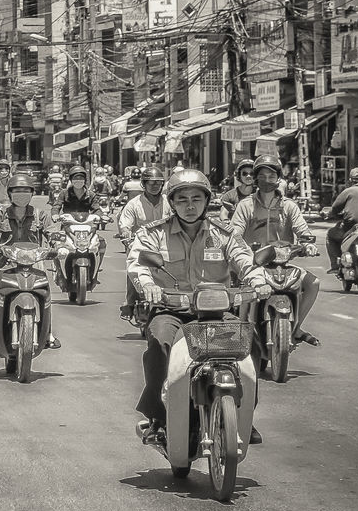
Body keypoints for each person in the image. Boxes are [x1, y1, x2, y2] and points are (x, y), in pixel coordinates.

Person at [127, 170, 270, 445]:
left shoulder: (223, 234)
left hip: (217, 311)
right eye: (182, 200)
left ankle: (244, 417)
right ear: (172, 202)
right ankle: (158, 418)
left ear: (207, 201)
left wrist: (258, 281)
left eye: (196, 198)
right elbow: (138, 264)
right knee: (159, 343)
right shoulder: (154, 233)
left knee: (249, 344)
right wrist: (148, 284)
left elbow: (245, 261)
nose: (189, 206)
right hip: (171, 310)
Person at [229, 155, 321, 346]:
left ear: (278, 178)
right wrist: (240, 247)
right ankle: (242, 334)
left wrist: (308, 244)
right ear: (256, 179)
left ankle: (295, 328)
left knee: (313, 282)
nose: (267, 181)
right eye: (262, 176)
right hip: (254, 265)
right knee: (243, 294)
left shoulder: (289, 206)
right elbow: (235, 232)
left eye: (271, 176)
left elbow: (303, 230)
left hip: (282, 264)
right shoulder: (245, 205)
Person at [0, 172, 60, 349]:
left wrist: (58, 245)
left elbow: (52, 232)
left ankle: (48, 334)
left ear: (31, 193)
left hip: (34, 263)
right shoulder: (0, 215)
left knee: (45, 294)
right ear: (10, 194)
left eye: (25, 191)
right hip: (8, 263)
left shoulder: (40, 215)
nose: (21, 195)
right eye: (17, 191)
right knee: (2, 294)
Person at [117, 164, 168, 318]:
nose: (155, 186)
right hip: (140, 245)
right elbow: (125, 224)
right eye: (151, 183)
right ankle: (130, 302)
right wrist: (126, 236)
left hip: (165, 245)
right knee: (133, 269)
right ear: (143, 184)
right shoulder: (133, 204)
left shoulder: (169, 202)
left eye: (158, 183)